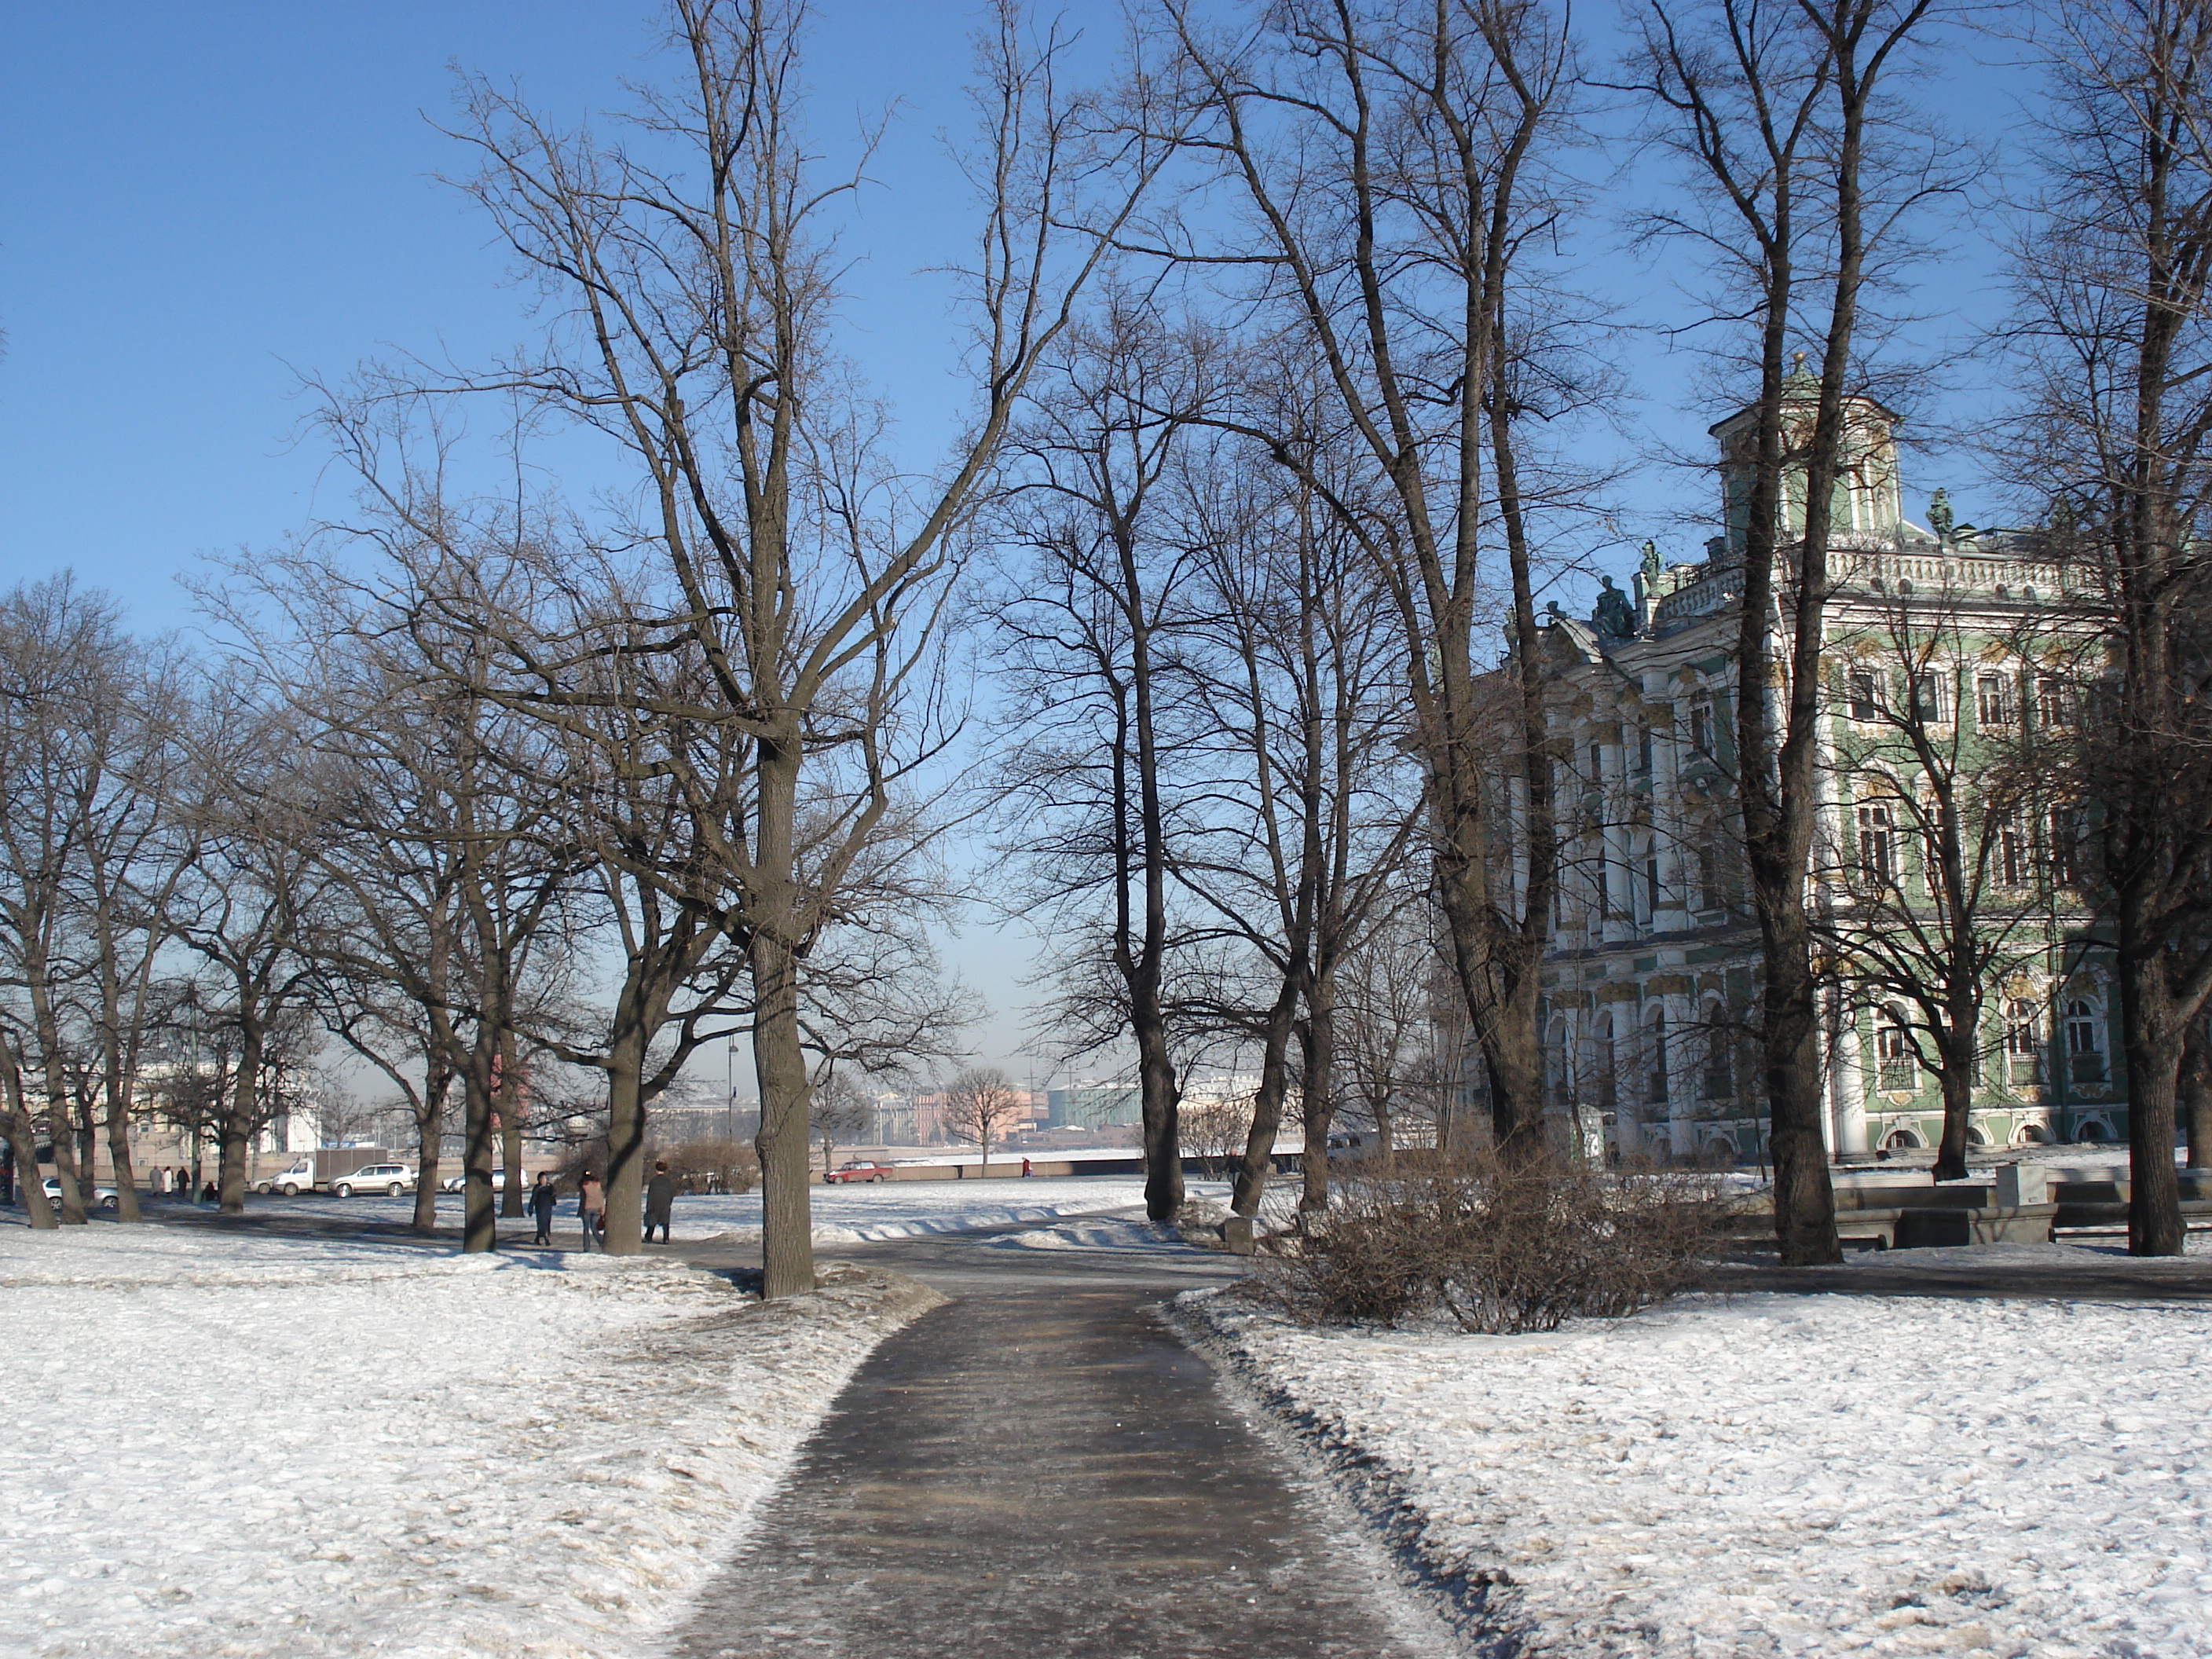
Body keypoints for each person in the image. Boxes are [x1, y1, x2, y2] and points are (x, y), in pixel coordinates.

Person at [644, 1160, 676, 1243]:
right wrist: (669, 1202)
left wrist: (649, 1206)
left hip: (655, 1204)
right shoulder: (668, 1181)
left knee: (652, 1221)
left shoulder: (653, 1181)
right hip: (665, 1204)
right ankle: (666, 1238)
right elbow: (672, 1193)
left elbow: (651, 1195)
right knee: (665, 1222)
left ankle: (649, 1236)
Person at [577, 1170, 604, 1251]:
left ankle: (586, 1247)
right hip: (597, 1209)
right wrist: (602, 1209)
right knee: (594, 1228)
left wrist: (580, 1211)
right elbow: (600, 1197)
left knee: (586, 1229)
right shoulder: (597, 1185)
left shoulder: (583, 1185)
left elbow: (583, 1200)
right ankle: (601, 1242)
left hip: (587, 1209)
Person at [529, 1170, 558, 1246]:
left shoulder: (549, 1187)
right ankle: (546, 1239)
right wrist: (531, 1208)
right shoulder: (537, 1188)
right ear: (539, 1179)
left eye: (545, 1178)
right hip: (540, 1208)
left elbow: (553, 1195)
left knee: (547, 1223)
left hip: (548, 1208)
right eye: (542, 1178)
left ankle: (537, 1238)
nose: (543, 1180)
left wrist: (553, 1199)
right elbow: (533, 1198)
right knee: (542, 1224)